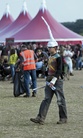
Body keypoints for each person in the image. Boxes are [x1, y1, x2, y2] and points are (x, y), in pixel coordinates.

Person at [30, 40, 67, 124]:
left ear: (55, 48)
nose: (49, 49)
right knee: (46, 99)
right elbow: (49, 69)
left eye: (51, 47)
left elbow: (59, 70)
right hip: (49, 80)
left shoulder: (59, 57)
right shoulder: (50, 57)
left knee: (60, 100)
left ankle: (63, 118)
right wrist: (46, 72)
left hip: (57, 81)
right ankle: (40, 118)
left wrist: (54, 80)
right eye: (48, 47)